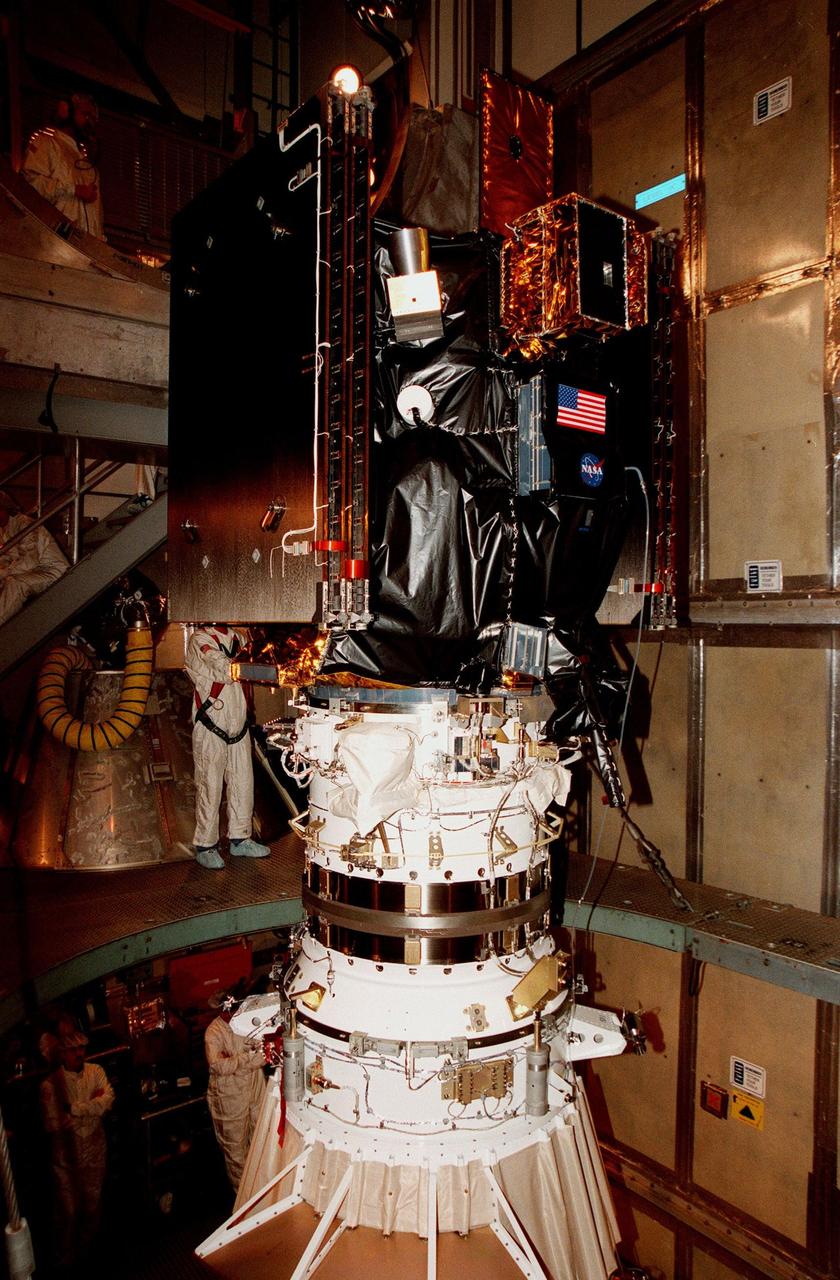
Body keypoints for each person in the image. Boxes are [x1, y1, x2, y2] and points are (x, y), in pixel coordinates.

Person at [185, 623, 269, 869]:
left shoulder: (238, 637)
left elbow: (251, 669)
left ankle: (240, 838)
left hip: (238, 724)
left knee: (243, 783)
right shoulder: (200, 640)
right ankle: (205, 845)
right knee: (209, 785)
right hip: (211, 724)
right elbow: (224, 671)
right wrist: (252, 661)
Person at [39, 1029, 115, 1269]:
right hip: (65, 1159)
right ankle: (63, 1260)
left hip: (95, 1148)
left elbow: (108, 1100)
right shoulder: (50, 1086)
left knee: (92, 1205)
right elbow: (53, 1124)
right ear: (62, 1053)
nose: (78, 1053)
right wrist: (92, 1106)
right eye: (72, 1049)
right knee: (69, 1212)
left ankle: (85, 1255)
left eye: (81, 1048)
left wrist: (73, 1109)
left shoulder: (96, 1072)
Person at [204, 992, 266, 1190]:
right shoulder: (213, 1033)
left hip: (255, 1088)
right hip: (229, 1097)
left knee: (260, 1139)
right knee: (236, 1151)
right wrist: (247, 1059)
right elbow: (218, 1066)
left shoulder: (248, 1024)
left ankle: (260, 1190)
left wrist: (235, 1060)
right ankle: (243, 1197)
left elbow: (263, 1055)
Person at [22, 93, 104, 240]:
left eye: (93, 119)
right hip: (51, 243)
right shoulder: (46, 144)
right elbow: (29, 186)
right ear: (66, 111)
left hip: (84, 255)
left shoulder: (89, 168)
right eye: (85, 115)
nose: (89, 122)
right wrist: (74, 190)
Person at [0, 489, 68, 626]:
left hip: (51, 571)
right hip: (34, 570)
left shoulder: (25, 524)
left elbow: (30, 561)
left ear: (5, 508)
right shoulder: (4, 529)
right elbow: (9, 556)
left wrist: (3, 572)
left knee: (16, 583)